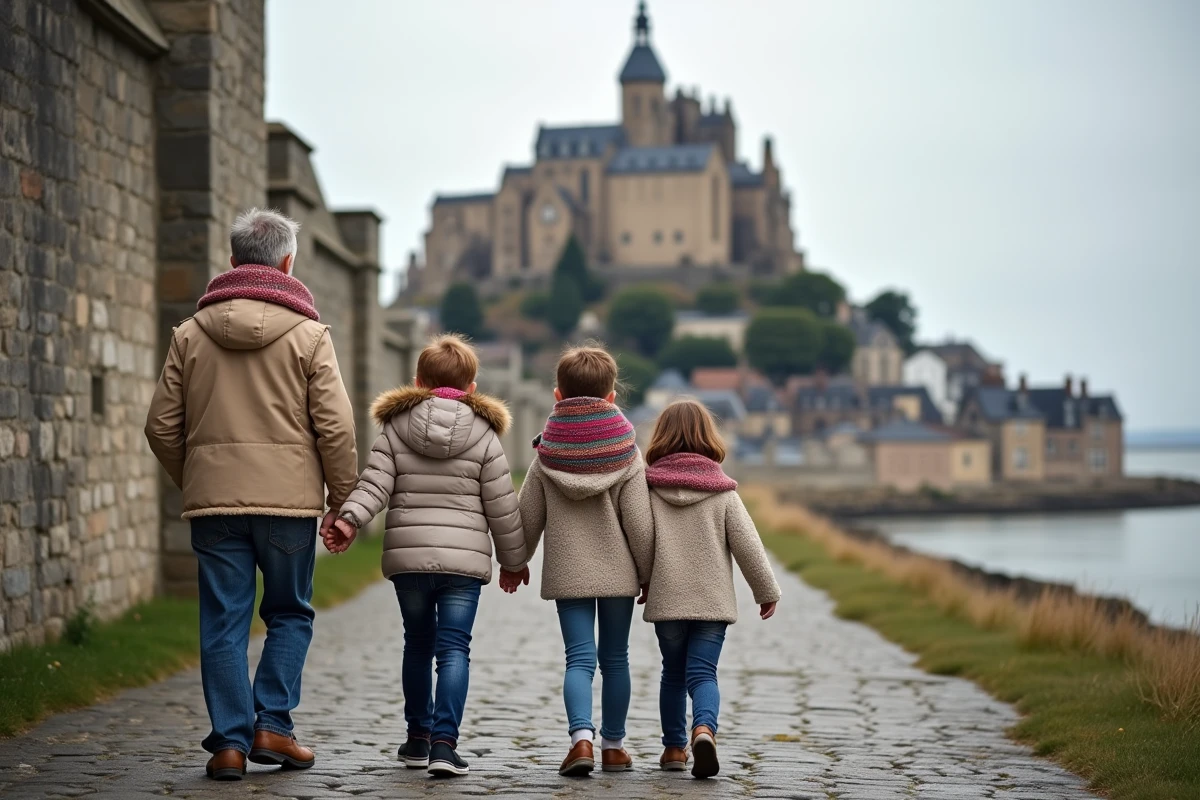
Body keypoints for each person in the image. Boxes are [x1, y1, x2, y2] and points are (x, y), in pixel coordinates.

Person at [145, 208, 359, 781]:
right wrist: (342, 501)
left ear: (234, 260)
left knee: (222, 622)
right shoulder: (311, 336)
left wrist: (198, 478)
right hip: (287, 505)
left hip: (214, 505)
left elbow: (161, 427)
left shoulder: (190, 334)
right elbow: (335, 427)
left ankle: (230, 746)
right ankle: (274, 726)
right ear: (287, 262)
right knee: (289, 613)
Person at [325, 333, 527, 777]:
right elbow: (502, 506)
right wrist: (514, 560)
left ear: (417, 380)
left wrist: (349, 518)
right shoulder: (486, 436)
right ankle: (443, 744)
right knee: (454, 648)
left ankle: (417, 737)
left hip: (409, 561)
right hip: (463, 565)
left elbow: (374, 483)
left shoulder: (396, 428)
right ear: (472, 387)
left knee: (417, 644)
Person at [517, 344, 654, 777]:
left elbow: (526, 519)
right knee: (616, 659)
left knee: (579, 658)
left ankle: (581, 741)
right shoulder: (629, 455)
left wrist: (515, 562)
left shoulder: (545, 456)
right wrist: (649, 574)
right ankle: (614, 746)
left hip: (567, 572)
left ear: (558, 397)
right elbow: (641, 526)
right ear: (612, 397)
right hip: (619, 575)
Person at [638, 399, 781, 778]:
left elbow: (639, 539)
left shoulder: (648, 489)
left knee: (672, 672)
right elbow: (748, 545)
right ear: (708, 437)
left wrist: (641, 579)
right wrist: (766, 590)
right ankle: (703, 729)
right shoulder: (722, 492)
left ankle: (672, 748)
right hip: (711, 601)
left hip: (667, 599)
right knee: (702, 673)